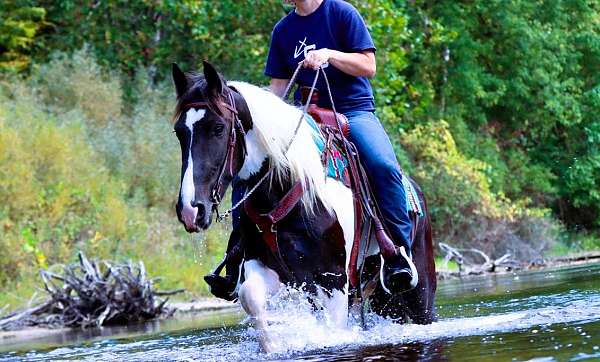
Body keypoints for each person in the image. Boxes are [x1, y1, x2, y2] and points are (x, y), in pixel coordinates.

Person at [206, 0, 417, 300]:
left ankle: (398, 254)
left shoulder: (341, 13)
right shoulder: (283, 30)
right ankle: (237, 259)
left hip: (352, 111)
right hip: (304, 114)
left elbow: (368, 66)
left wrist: (330, 55)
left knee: (383, 166)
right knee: (251, 167)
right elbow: (278, 89)